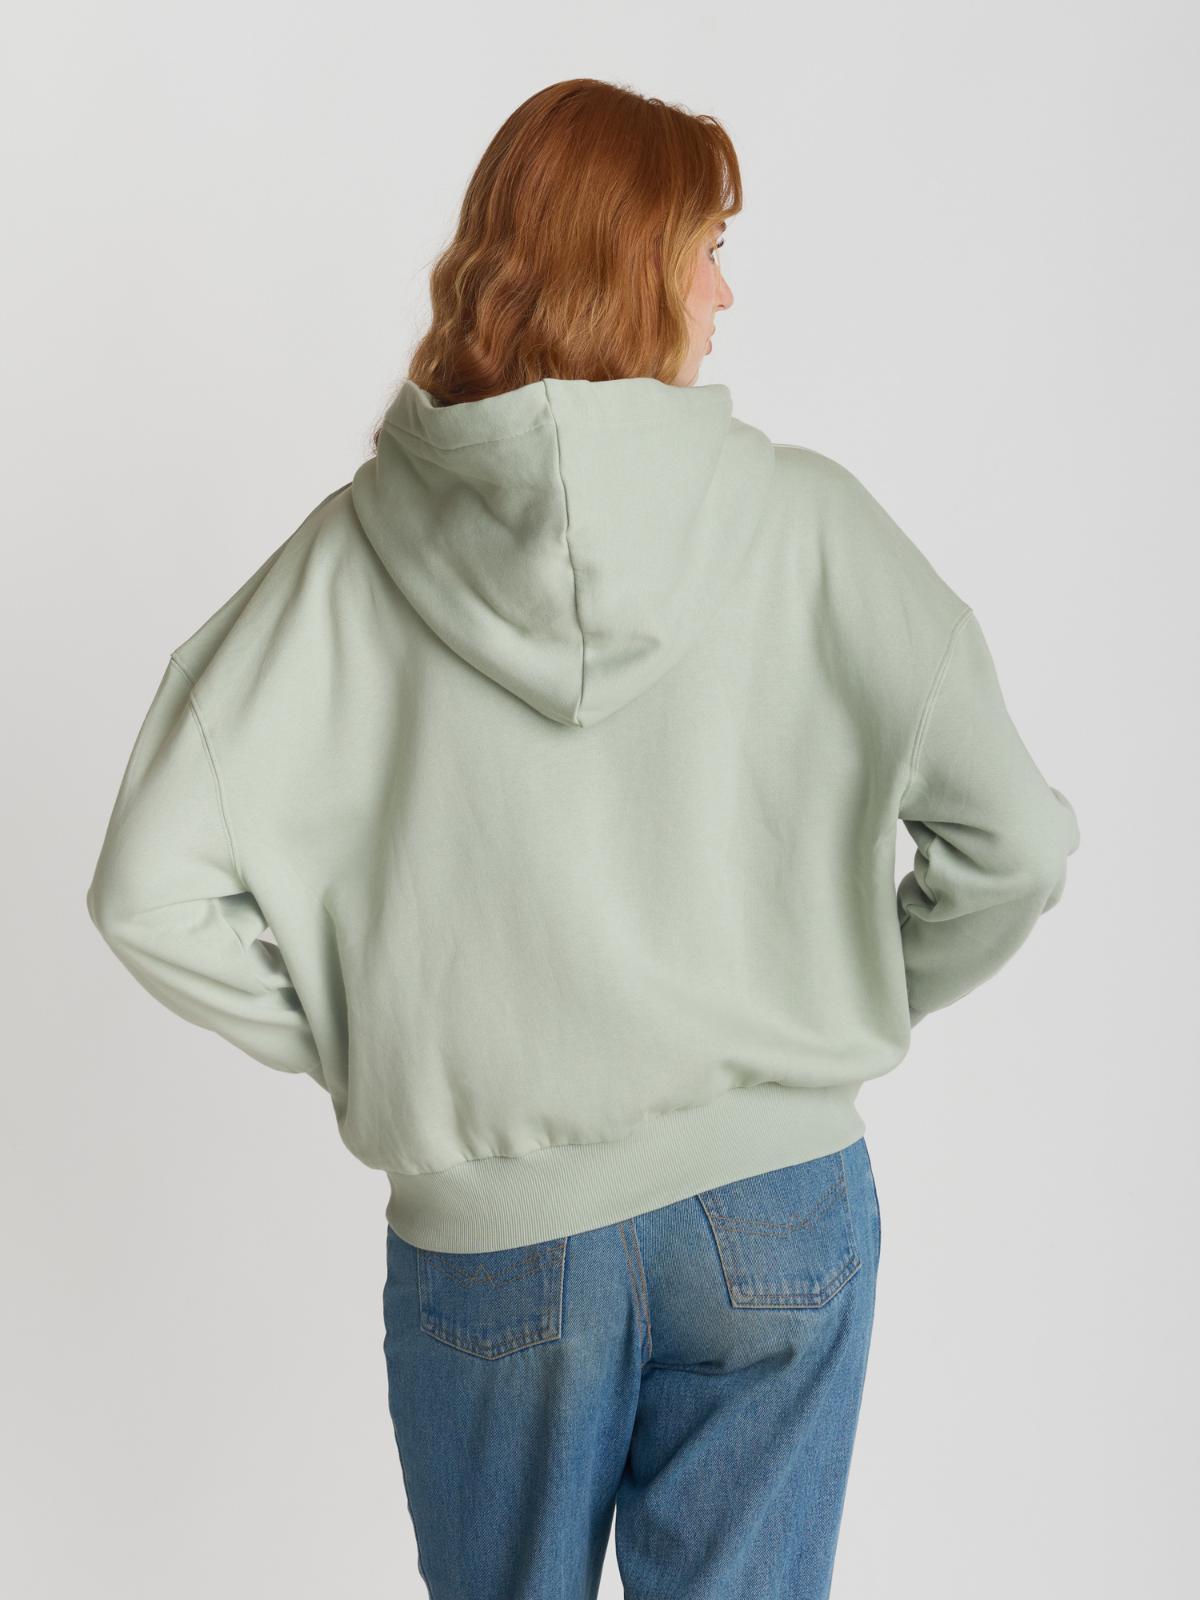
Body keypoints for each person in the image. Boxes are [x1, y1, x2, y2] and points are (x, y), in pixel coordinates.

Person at [85, 76, 1080, 1600]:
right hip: (775, 1211)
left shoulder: (347, 565)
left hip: (498, 1242)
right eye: (708, 250)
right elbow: (1016, 844)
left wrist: (375, 1046)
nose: (727, 293)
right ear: (633, 268)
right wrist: (846, 999)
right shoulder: (811, 527)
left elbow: (147, 888)